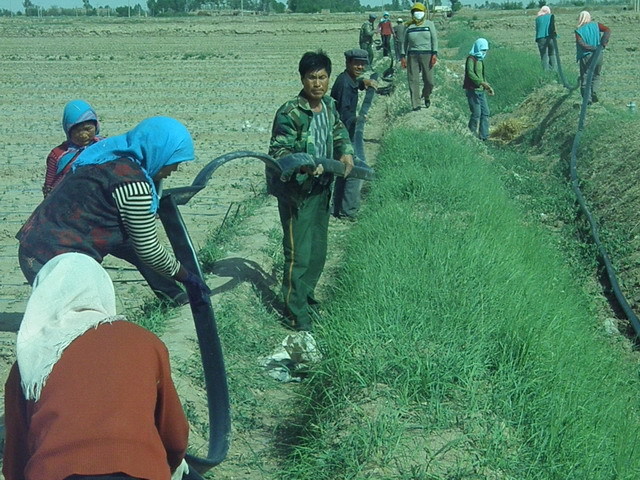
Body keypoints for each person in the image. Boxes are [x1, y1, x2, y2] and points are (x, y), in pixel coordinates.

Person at [3, 252, 190, 480]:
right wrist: (167, 464)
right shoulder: (144, 341)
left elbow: (17, 454)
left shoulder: (30, 360)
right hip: (140, 470)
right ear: (102, 290)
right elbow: (175, 435)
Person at [16, 116, 211, 306]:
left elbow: (135, 243)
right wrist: (186, 276)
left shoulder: (105, 154)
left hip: (33, 244)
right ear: (160, 152)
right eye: (174, 161)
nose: (175, 169)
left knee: (131, 244)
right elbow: (149, 249)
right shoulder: (133, 184)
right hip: (54, 262)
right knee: (83, 325)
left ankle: (173, 297)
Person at [267, 50, 354, 332]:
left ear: (329, 78)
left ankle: (307, 300)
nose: (317, 83)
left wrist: (346, 154)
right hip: (298, 194)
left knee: (317, 252)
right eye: (311, 78)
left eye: (322, 77)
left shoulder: (328, 105)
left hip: (322, 190)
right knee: (298, 254)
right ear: (302, 79)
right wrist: (302, 165)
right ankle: (294, 314)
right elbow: (279, 151)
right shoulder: (290, 112)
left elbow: (339, 132)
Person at [330, 48, 377, 221]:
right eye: (356, 63)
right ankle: (348, 211)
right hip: (341, 135)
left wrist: (364, 82)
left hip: (345, 134)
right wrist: (356, 120)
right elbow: (340, 117)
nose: (359, 66)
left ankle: (337, 208)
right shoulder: (343, 84)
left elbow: (355, 83)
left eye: (362, 64)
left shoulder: (349, 80)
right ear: (348, 63)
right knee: (356, 171)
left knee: (344, 170)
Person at [400, 2, 439, 110]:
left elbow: (434, 39)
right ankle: (415, 104)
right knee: (413, 80)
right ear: (412, 13)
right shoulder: (408, 26)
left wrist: (434, 53)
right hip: (412, 55)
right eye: (415, 11)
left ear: (424, 12)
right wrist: (402, 56)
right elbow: (404, 43)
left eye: (420, 11)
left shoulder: (429, 24)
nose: (418, 13)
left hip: (427, 54)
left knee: (429, 81)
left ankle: (426, 95)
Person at [575, 10, 610, 104]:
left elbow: (581, 43)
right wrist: (603, 43)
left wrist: (591, 48)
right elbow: (607, 30)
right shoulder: (596, 25)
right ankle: (594, 92)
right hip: (598, 54)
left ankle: (588, 99)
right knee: (596, 75)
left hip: (586, 56)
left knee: (585, 76)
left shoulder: (579, 31)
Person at [463, 38, 494, 141]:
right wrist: (481, 83)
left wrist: (488, 87)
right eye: (482, 50)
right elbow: (470, 73)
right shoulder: (471, 59)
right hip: (472, 90)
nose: (484, 52)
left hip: (481, 91)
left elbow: (482, 76)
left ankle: (484, 136)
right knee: (476, 113)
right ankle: (471, 134)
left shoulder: (480, 60)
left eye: (485, 50)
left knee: (485, 113)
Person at [535, 6, 557, 71]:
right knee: (552, 54)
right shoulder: (551, 16)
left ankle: (546, 71)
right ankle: (554, 70)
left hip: (541, 38)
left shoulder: (537, 18)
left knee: (544, 55)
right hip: (551, 38)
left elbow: (537, 29)